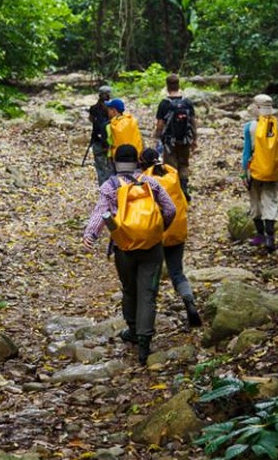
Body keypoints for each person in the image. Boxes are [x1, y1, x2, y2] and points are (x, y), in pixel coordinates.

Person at [83, 144, 176, 366]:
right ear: (136, 162)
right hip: (152, 248)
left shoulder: (110, 186)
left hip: (123, 248)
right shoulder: (150, 183)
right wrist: (158, 228)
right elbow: (170, 209)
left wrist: (90, 235)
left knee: (129, 290)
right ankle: (144, 343)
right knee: (148, 293)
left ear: (115, 162)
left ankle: (133, 330)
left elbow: (99, 213)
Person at [138, 147, 202, 327]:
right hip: (177, 231)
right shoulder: (171, 175)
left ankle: (146, 319)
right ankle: (189, 300)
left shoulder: (145, 181)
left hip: (156, 234)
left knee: (152, 276)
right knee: (177, 272)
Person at [241, 94, 278, 252]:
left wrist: (244, 173)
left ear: (257, 108)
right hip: (273, 171)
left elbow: (246, 153)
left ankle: (260, 236)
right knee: (270, 201)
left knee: (255, 203)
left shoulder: (249, 127)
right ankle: (270, 238)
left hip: (254, 171)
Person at [153, 73, 197, 201]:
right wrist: (194, 139)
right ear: (179, 85)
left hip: (169, 141)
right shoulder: (187, 103)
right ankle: (184, 187)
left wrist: (157, 137)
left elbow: (160, 124)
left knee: (170, 167)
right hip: (185, 139)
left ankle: (175, 192)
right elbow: (193, 122)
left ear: (167, 86)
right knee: (184, 164)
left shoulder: (164, 104)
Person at [88, 86, 114, 185]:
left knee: (100, 168)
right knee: (111, 167)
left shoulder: (93, 108)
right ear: (109, 95)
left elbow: (91, 119)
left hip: (96, 141)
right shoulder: (111, 109)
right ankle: (112, 188)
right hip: (110, 142)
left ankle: (104, 188)